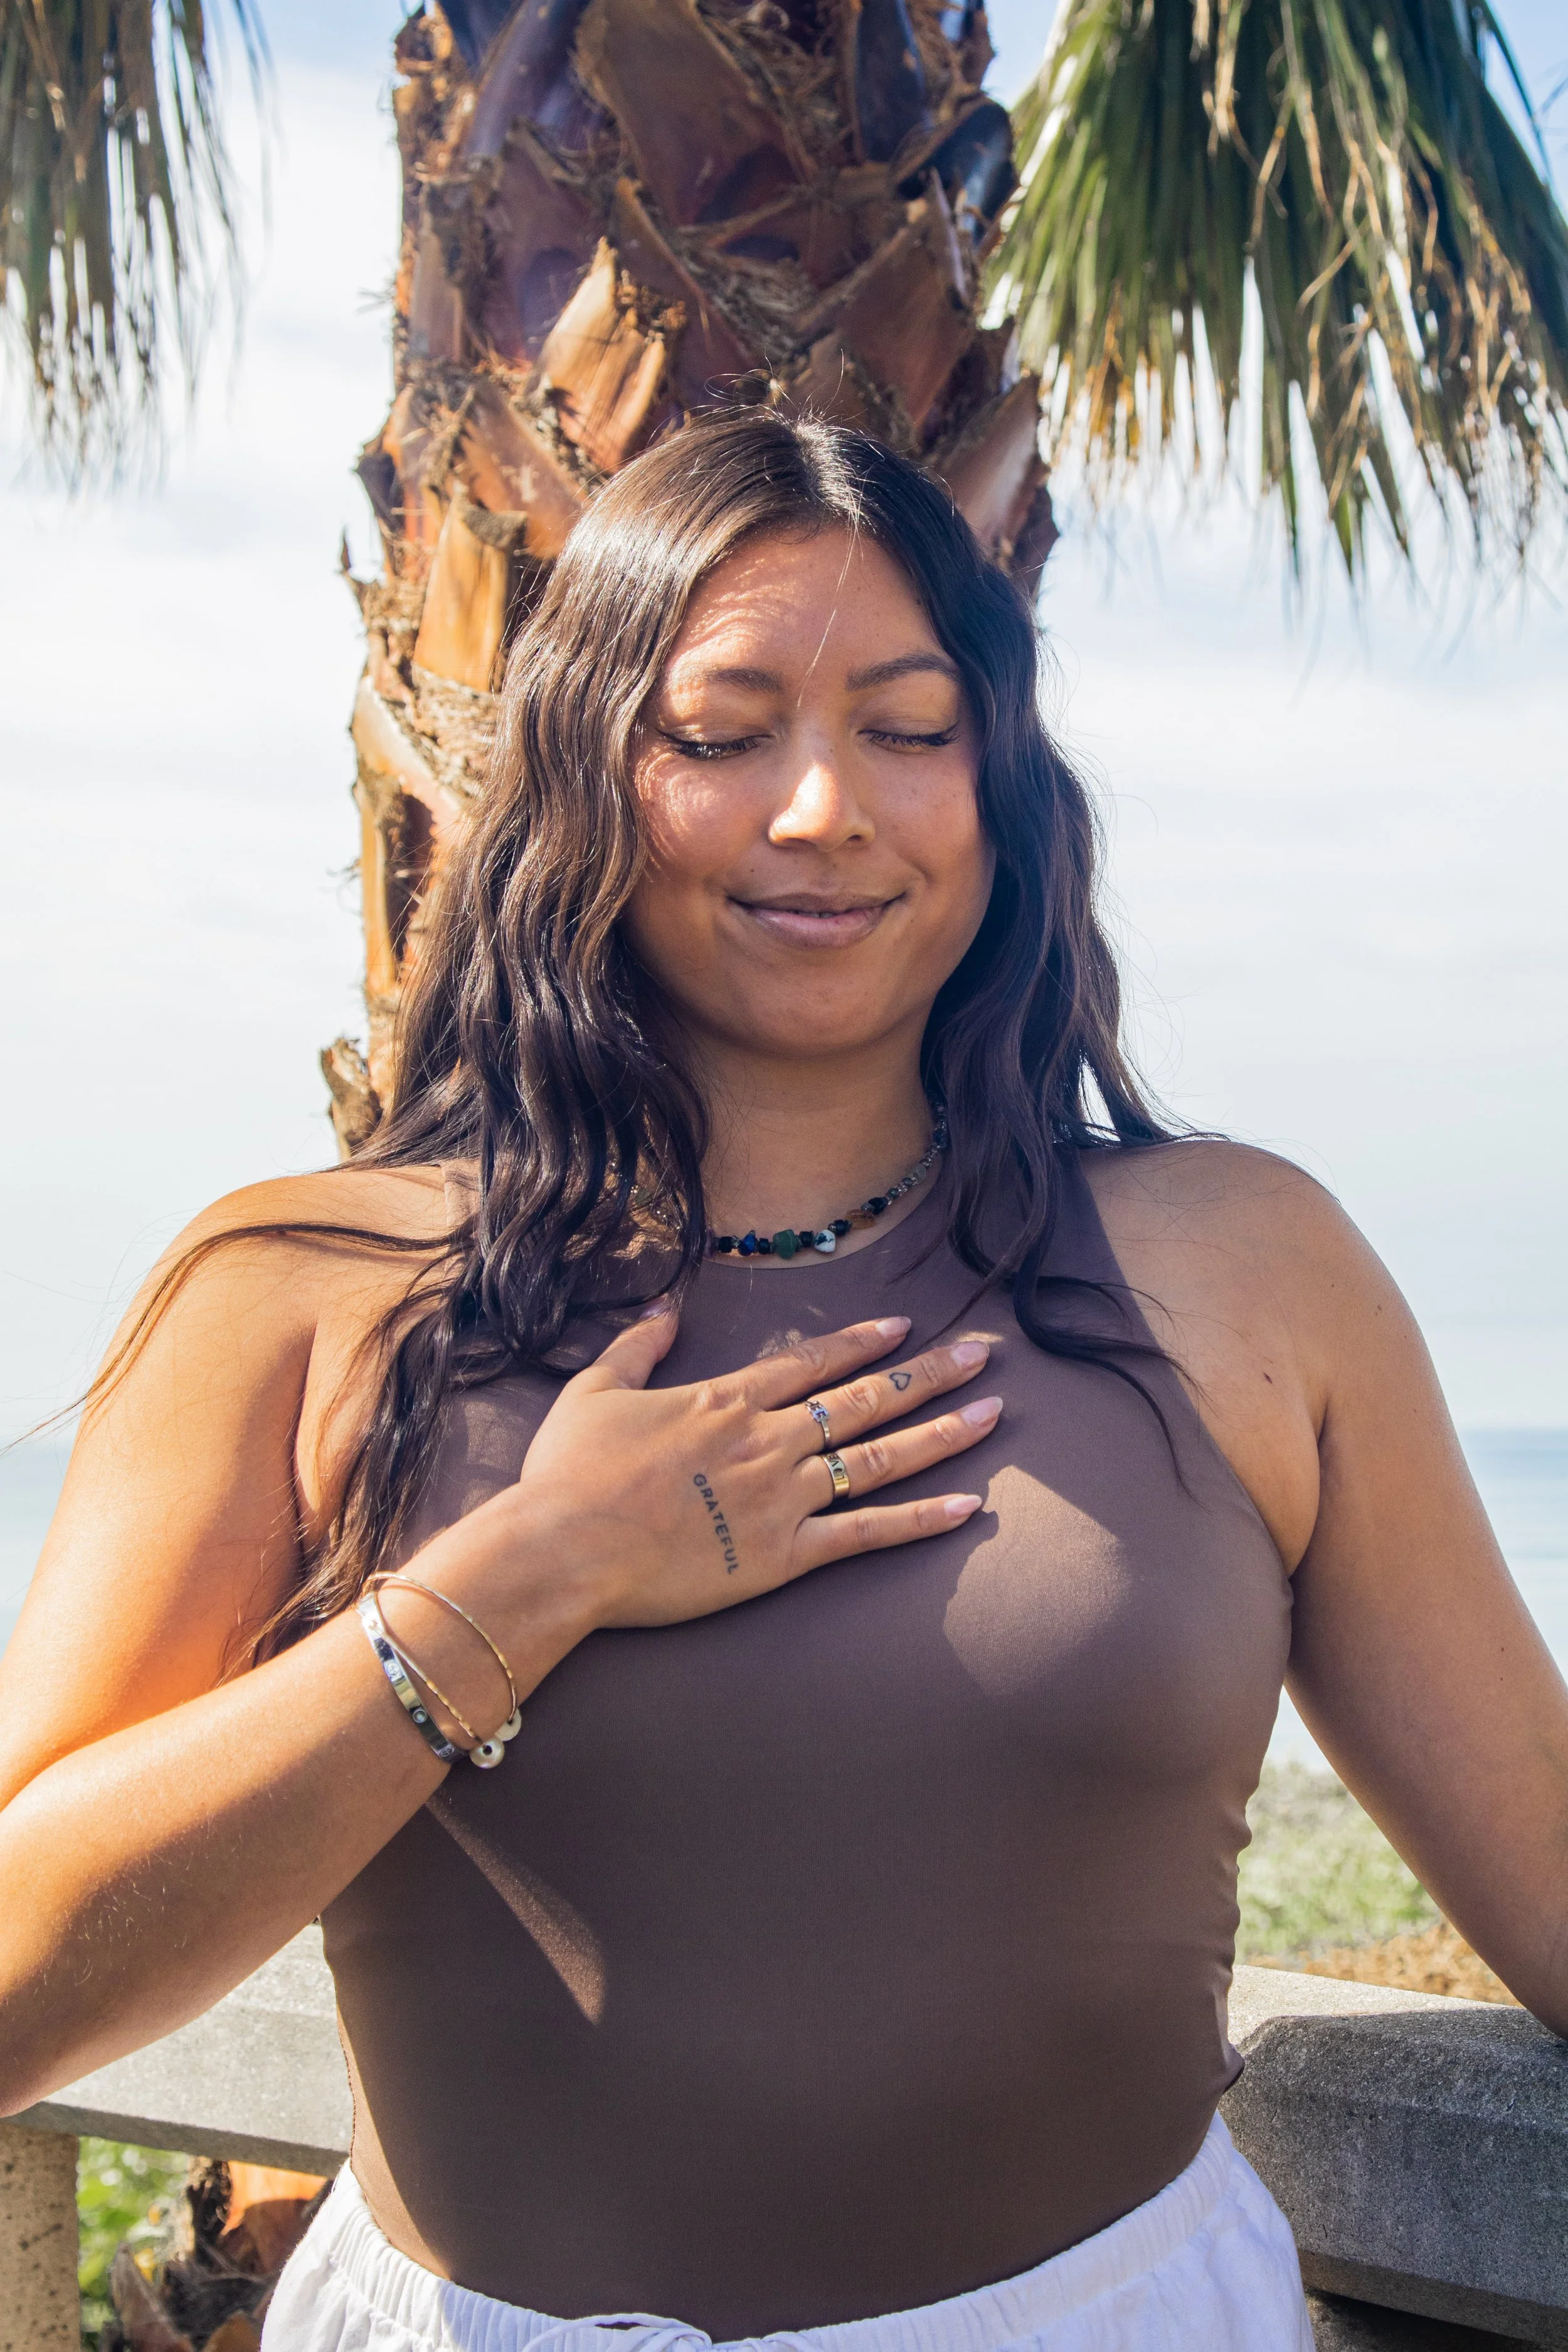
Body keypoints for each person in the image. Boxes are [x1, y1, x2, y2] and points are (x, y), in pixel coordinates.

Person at [1, 413, 1564, 2352]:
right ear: (586, 774)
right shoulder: (311, 1290)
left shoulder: (1252, 1268)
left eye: (910, 728)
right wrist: (515, 1586)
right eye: (722, 731)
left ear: (1001, 789)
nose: (824, 808)